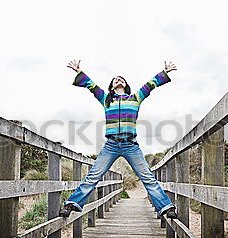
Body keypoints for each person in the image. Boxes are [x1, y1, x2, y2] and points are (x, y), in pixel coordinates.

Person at [59, 59, 178, 219]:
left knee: (148, 177)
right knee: (94, 175)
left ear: (126, 85)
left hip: (131, 145)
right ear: (112, 86)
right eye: (115, 80)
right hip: (111, 145)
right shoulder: (106, 100)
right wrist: (79, 72)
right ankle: (71, 204)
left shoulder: (135, 98)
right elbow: (91, 86)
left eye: (121, 79)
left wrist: (164, 72)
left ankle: (166, 207)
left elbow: (150, 84)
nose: (118, 79)